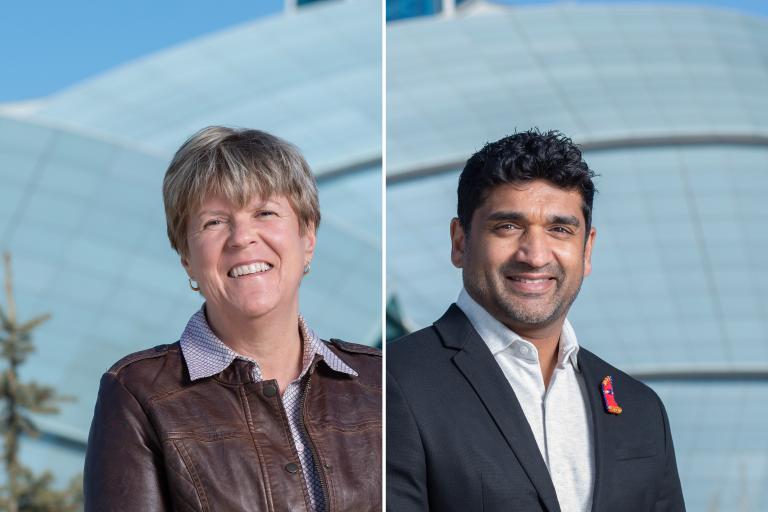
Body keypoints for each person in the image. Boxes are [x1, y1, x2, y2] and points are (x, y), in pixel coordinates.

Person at [85, 126, 382, 511]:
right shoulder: (138, 394)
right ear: (186, 257)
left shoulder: (380, 383)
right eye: (214, 222)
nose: (242, 237)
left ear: (307, 236)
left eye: (265, 213)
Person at [386, 130, 685, 511]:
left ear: (587, 250)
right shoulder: (395, 381)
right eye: (508, 227)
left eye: (560, 230)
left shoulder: (640, 407)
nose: (535, 255)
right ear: (460, 242)